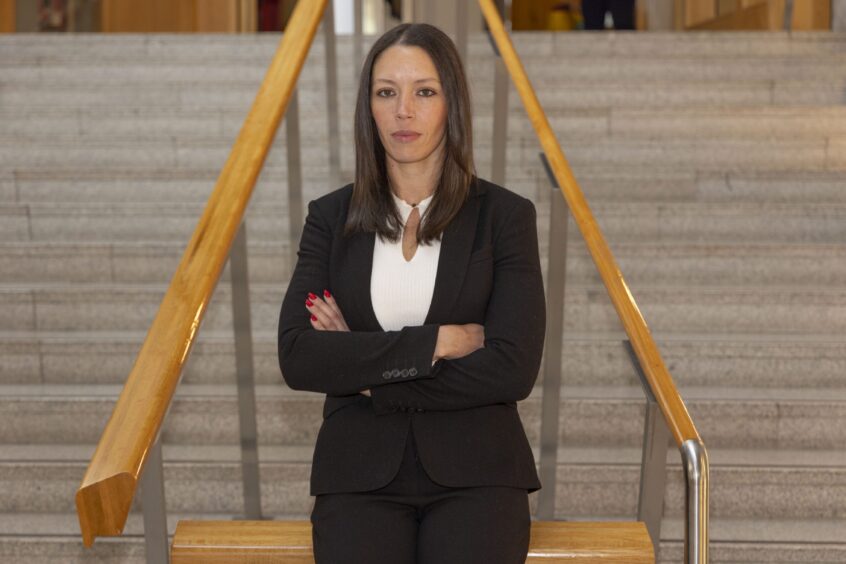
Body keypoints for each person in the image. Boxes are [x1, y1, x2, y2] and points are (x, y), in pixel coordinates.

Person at [277, 22, 546, 564]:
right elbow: (300, 356)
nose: (404, 111)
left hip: (479, 472)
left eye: (424, 91)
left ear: (452, 104)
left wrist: (369, 376)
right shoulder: (330, 218)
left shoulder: (504, 217)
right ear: (368, 108)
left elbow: (512, 367)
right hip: (357, 473)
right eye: (386, 92)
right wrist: (436, 344)